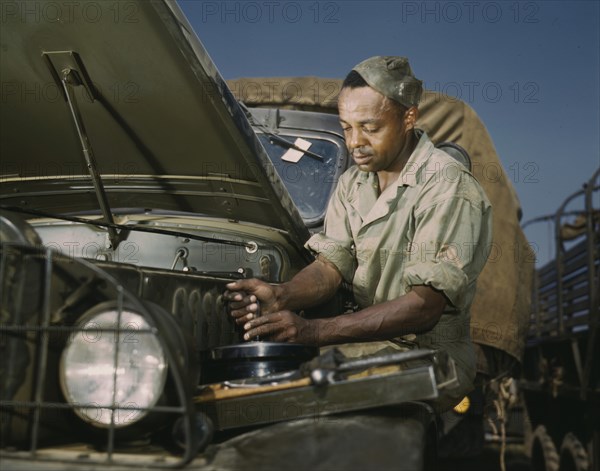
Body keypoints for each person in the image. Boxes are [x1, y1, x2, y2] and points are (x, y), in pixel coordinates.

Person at [224, 56, 492, 410]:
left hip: (430, 358)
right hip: (371, 345)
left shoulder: (447, 186)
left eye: (370, 127)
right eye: (347, 128)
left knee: (295, 395)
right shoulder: (354, 182)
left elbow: (424, 307)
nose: (354, 143)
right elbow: (331, 265)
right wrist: (283, 294)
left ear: (408, 118)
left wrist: (314, 332)